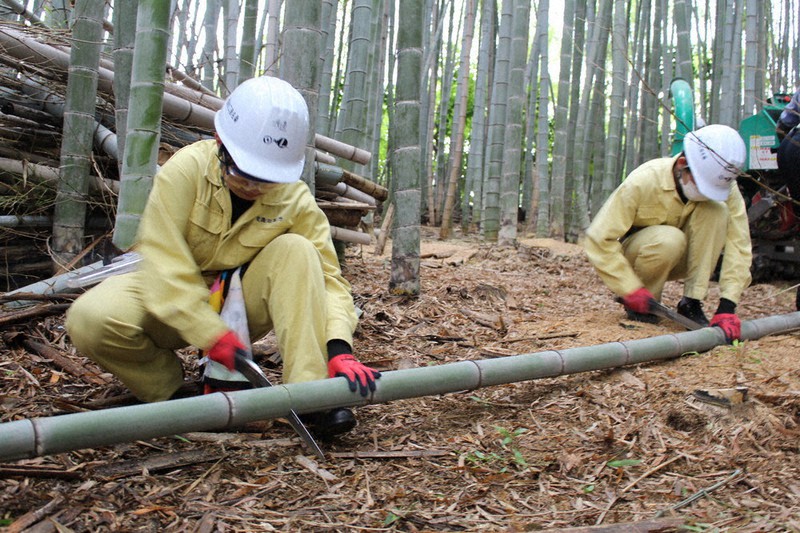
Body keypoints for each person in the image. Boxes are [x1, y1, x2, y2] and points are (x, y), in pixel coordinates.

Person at [66, 76, 380, 437]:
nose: (251, 186)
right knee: (90, 318)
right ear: (220, 143)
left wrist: (339, 346)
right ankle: (170, 390)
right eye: (241, 172)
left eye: (265, 179)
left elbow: (328, 279)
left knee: (298, 250)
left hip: (243, 299)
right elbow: (164, 260)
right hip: (172, 293)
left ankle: (310, 394)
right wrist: (210, 332)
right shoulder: (186, 170)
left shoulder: (295, 198)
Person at [583, 124, 751, 343]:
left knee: (717, 211)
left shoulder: (725, 187)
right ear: (682, 164)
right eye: (702, 186)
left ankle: (691, 301)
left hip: (683, 258)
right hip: (638, 256)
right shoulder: (645, 180)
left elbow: (739, 244)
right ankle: (644, 304)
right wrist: (629, 288)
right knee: (669, 239)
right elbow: (598, 239)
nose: (705, 193)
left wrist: (728, 305)